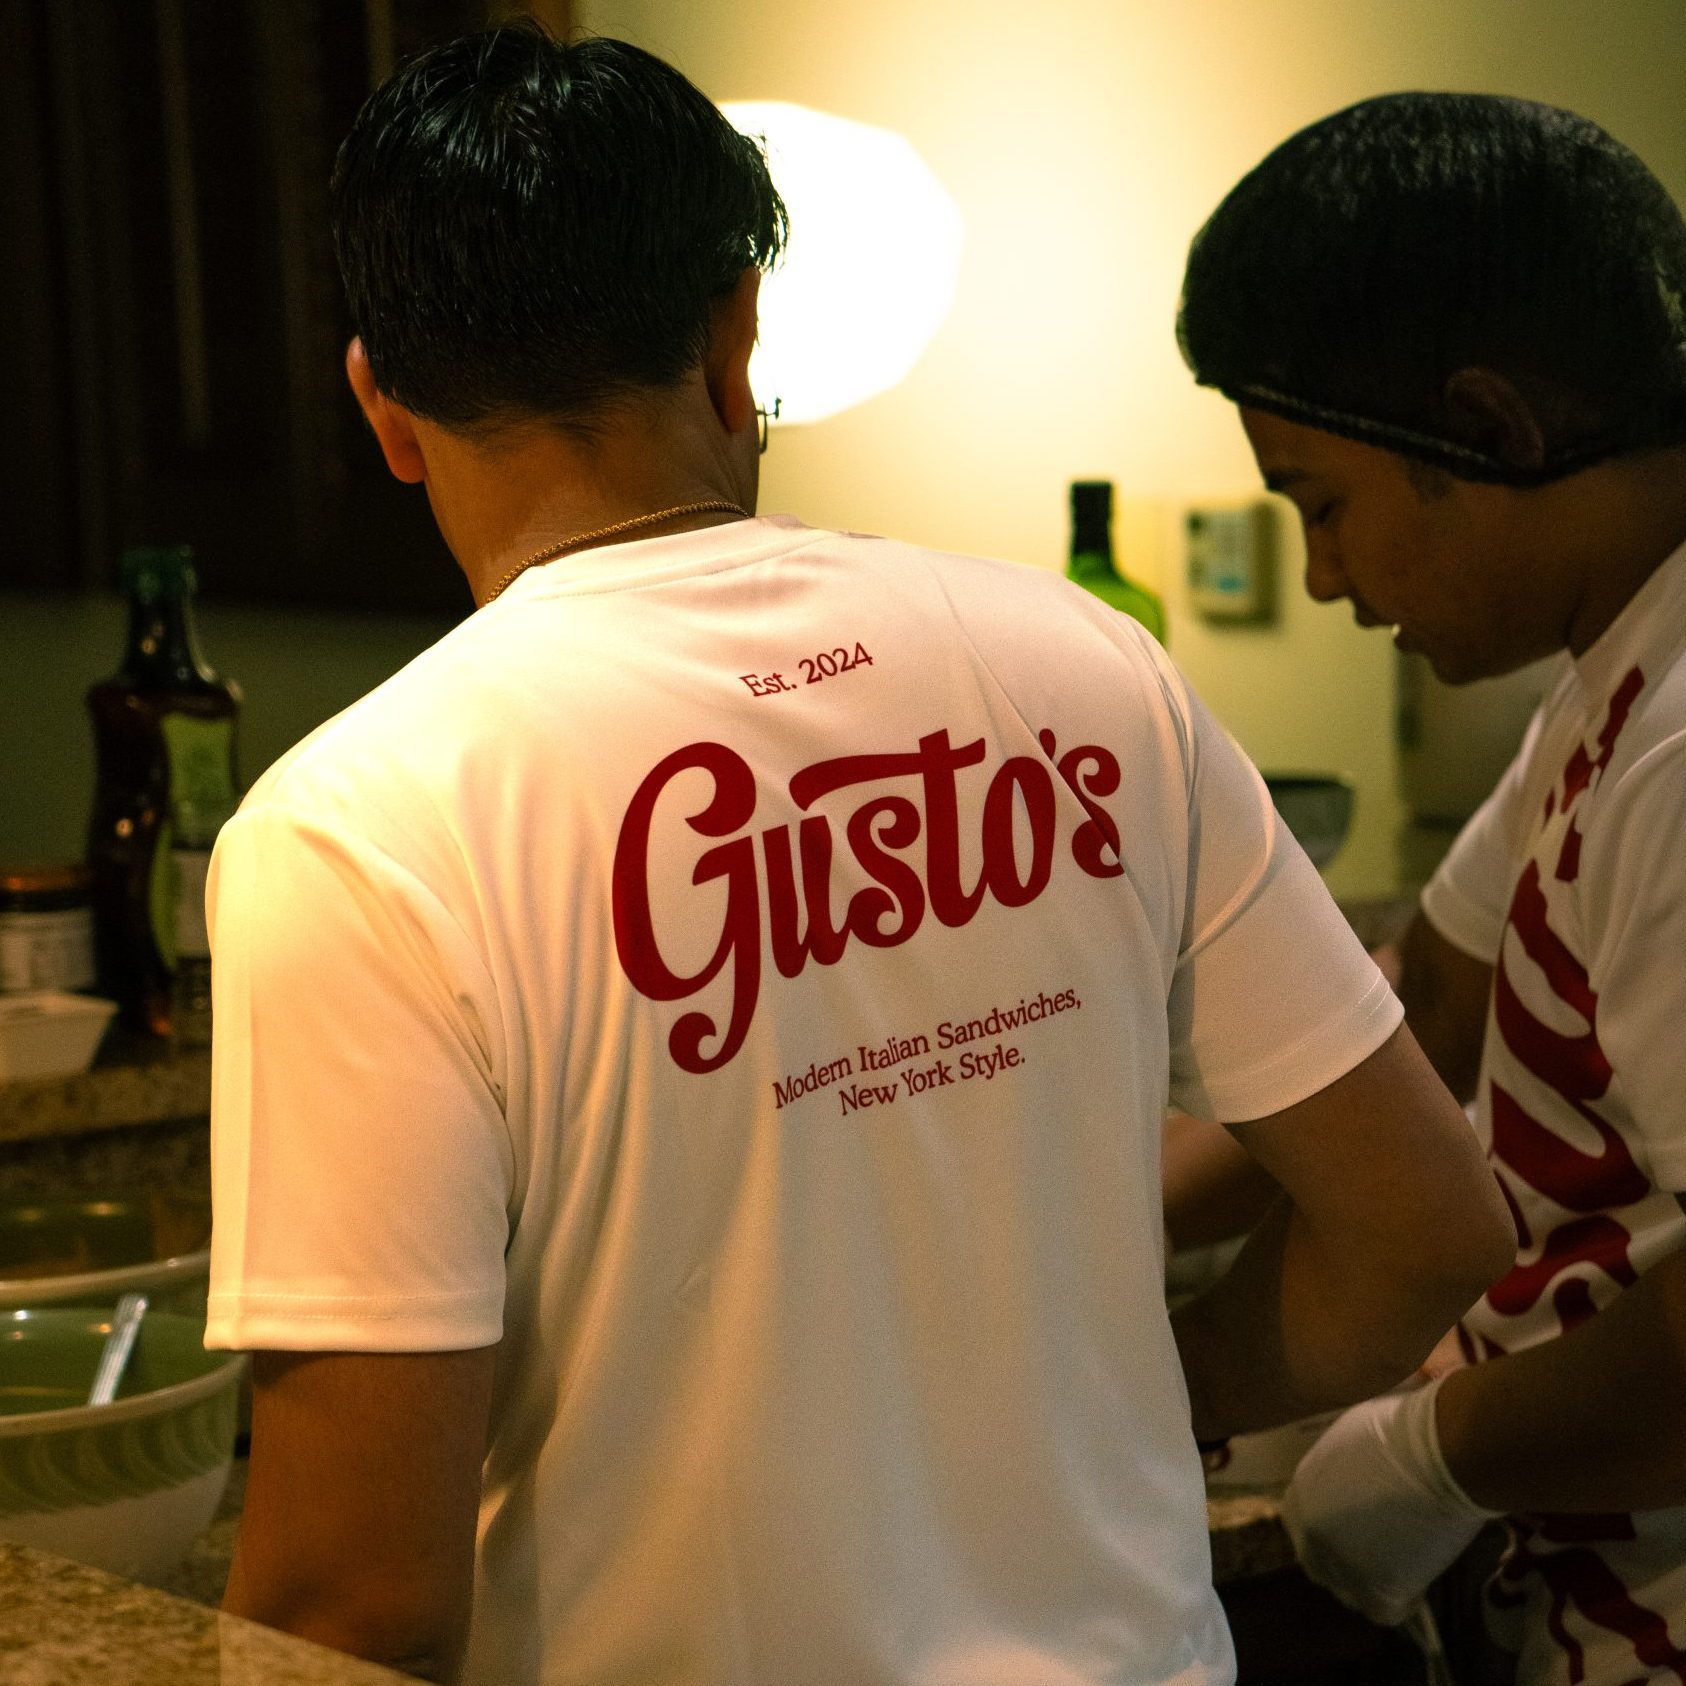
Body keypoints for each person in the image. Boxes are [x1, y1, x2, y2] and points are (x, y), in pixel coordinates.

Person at [203, 28, 1511, 1685]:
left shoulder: (358, 832)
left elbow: (350, 1607)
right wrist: (1129, 1391)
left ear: (382, 407)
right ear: (736, 331)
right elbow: (1419, 1225)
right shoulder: (1083, 666)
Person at [1175, 91, 1686, 1686]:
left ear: (1490, 426)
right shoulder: (1603, 682)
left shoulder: (1678, 742)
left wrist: (1427, 1459)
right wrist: (1090, 1260)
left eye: (1317, 500)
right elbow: (1412, 1013)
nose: (1320, 578)